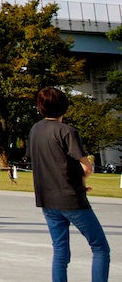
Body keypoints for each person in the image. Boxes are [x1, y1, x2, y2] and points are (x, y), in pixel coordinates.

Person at [29, 86, 110, 282]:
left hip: (47, 199)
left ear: (40, 108)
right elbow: (87, 167)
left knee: (60, 251)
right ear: (65, 107)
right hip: (71, 199)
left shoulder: (35, 130)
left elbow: (50, 162)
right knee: (100, 248)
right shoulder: (67, 131)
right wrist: (81, 181)